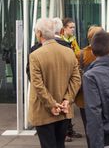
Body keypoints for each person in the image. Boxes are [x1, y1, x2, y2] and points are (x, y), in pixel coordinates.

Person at [28, 18, 81, 148]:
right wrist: (67, 100)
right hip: (64, 110)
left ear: (39, 33)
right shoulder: (69, 52)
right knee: (59, 144)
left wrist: (51, 104)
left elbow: (37, 84)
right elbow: (76, 79)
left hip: (43, 111)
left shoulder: (35, 55)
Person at [75, 25, 103, 147]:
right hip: (103, 96)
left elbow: (75, 76)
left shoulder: (80, 54)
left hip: (84, 97)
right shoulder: (106, 54)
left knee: (88, 128)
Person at [61, 17, 82, 141]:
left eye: (74, 27)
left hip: (71, 74)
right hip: (64, 75)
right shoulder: (61, 41)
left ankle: (69, 129)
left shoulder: (72, 40)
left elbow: (78, 53)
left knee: (69, 103)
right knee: (64, 103)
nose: (73, 29)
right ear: (64, 29)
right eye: (71, 27)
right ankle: (64, 132)